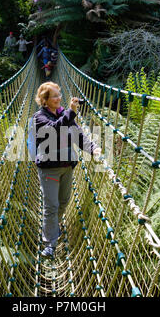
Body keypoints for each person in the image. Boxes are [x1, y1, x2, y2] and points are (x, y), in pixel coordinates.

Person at [32, 82, 101, 258]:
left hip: (66, 167)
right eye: (54, 96)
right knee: (51, 206)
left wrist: (92, 148)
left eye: (59, 94)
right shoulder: (39, 117)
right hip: (50, 170)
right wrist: (70, 111)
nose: (58, 98)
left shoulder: (64, 114)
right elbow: (53, 131)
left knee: (63, 202)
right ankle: (50, 244)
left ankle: (54, 227)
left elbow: (78, 134)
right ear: (45, 100)